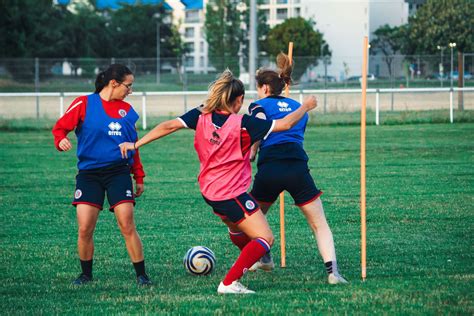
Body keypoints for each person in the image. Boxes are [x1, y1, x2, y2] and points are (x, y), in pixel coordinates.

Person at [119, 69, 317, 294]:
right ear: (239, 100)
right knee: (265, 238)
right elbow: (285, 125)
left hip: (210, 191)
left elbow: (168, 126)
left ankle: (257, 260)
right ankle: (229, 282)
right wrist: (306, 106)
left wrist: (135, 145)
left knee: (236, 229)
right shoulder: (244, 123)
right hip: (232, 193)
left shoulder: (201, 115)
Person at [247, 53, 348, 284]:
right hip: (297, 166)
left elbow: (259, 127)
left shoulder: (257, 105)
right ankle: (333, 273)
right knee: (319, 223)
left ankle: (265, 257)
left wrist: (253, 151)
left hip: (270, 167)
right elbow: (295, 133)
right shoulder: (298, 108)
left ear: (263, 88)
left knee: (253, 219)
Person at [52, 64, 151, 286]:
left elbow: (134, 146)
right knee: (85, 226)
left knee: (127, 223)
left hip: (118, 172)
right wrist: (61, 141)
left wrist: (139, 176)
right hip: (89, 174)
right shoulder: (84, 103)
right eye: (129, 85)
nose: (130, 90)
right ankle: (85, 274)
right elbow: (59, 129)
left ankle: (142, 275)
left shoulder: (127, 111)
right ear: (113, 83)